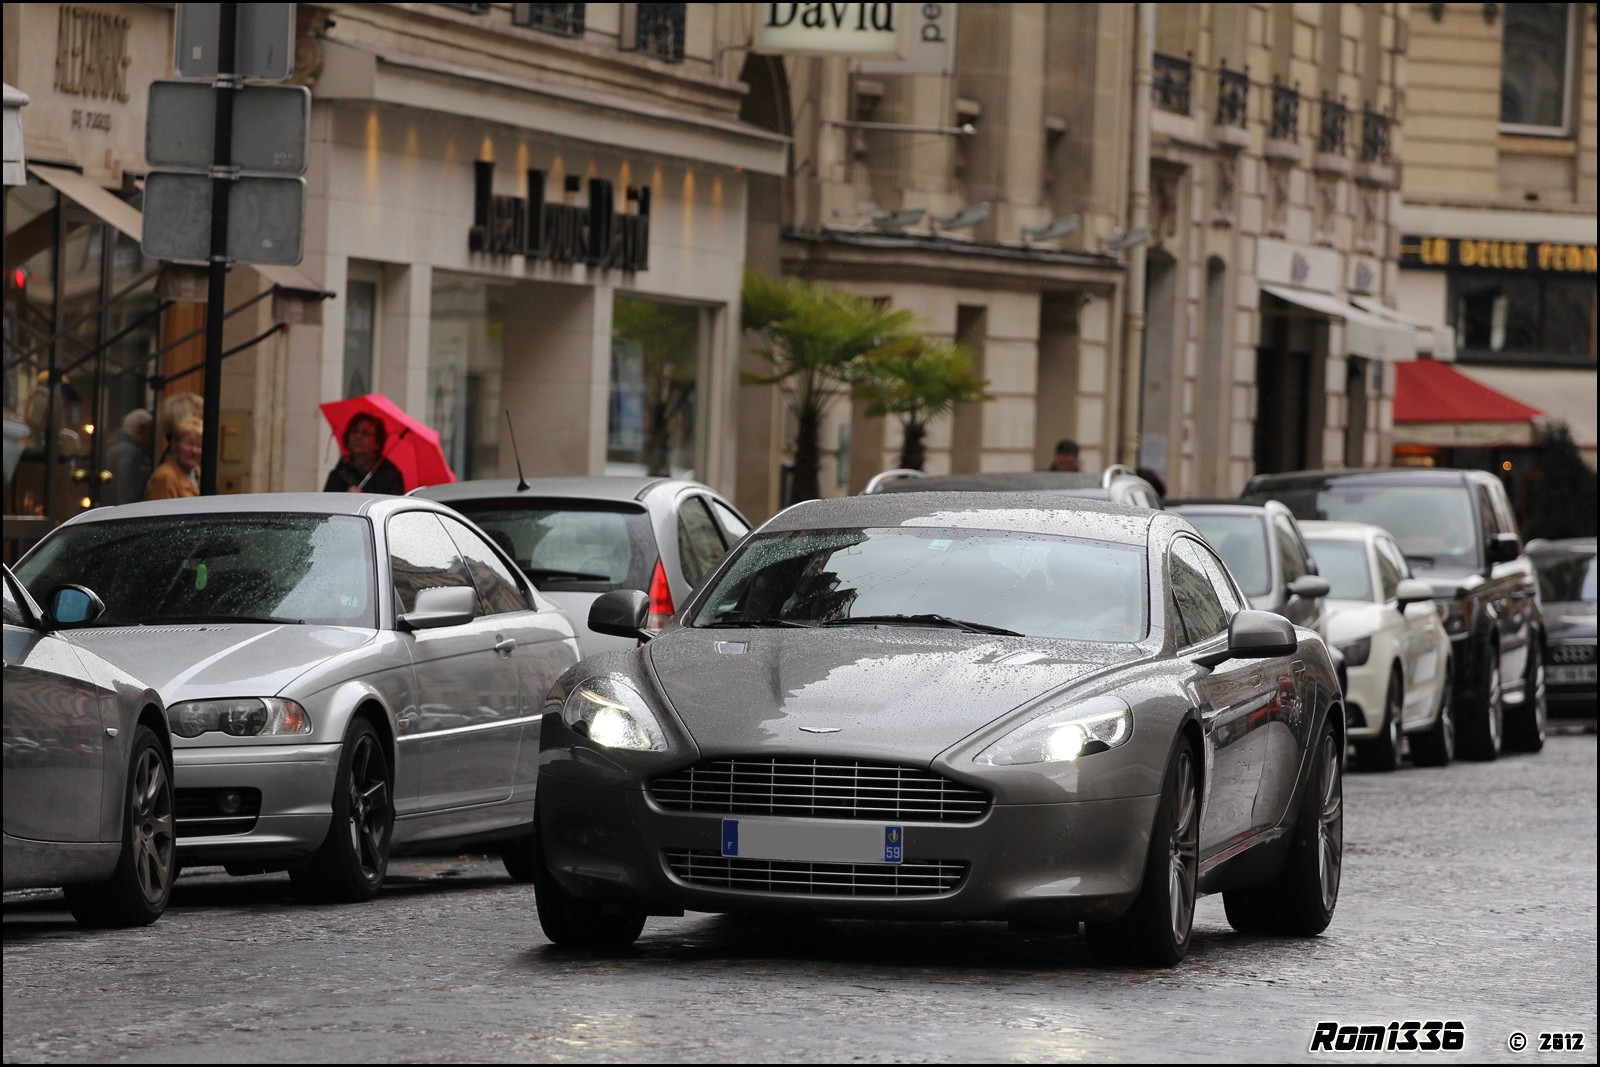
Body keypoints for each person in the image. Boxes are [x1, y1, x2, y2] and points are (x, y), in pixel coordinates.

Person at [324, 412, 405, 494]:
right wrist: (344, 499)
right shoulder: (338, 474)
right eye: (354, 431)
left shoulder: (390, 476)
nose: (358, 436)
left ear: (377, 443)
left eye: (366, 433)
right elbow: (326, 504)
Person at [145, 415, 202, 500]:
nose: (194, 450)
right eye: (189, 444)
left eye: (199, 445)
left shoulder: (198, 471)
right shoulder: (165, 477)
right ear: (174, 444)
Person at [105, 408, 154, 505]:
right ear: (142, 429)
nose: (150, 438)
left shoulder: (115, 446)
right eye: (150, 431)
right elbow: (127, 493)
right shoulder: (131, 452)